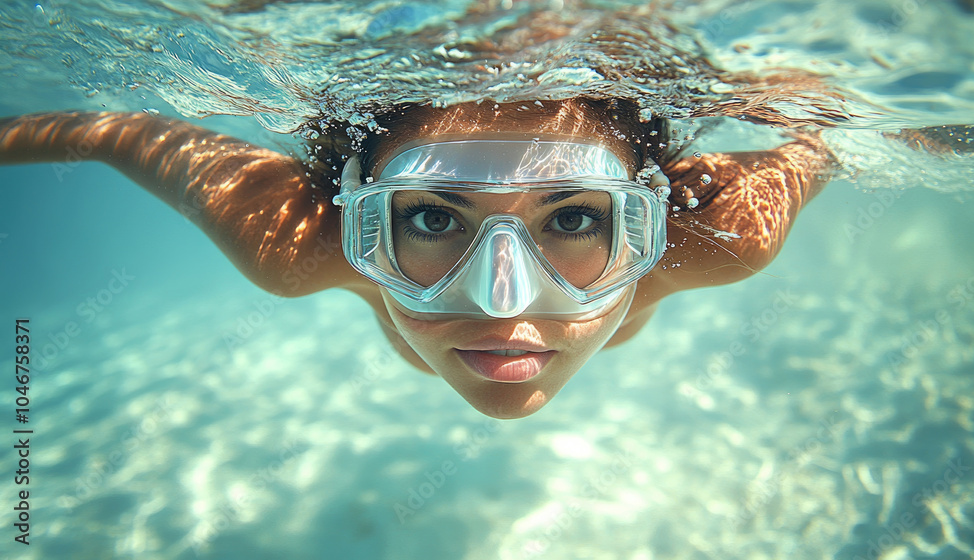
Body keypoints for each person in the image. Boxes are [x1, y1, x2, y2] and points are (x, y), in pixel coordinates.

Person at [0, 98, 833, 418]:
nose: (505, 306)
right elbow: (96, 132)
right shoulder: (295, 237)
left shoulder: (722, 228)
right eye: (434, 216)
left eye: (574, 217)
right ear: (356, 224)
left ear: (651, 221)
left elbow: (826, 138)